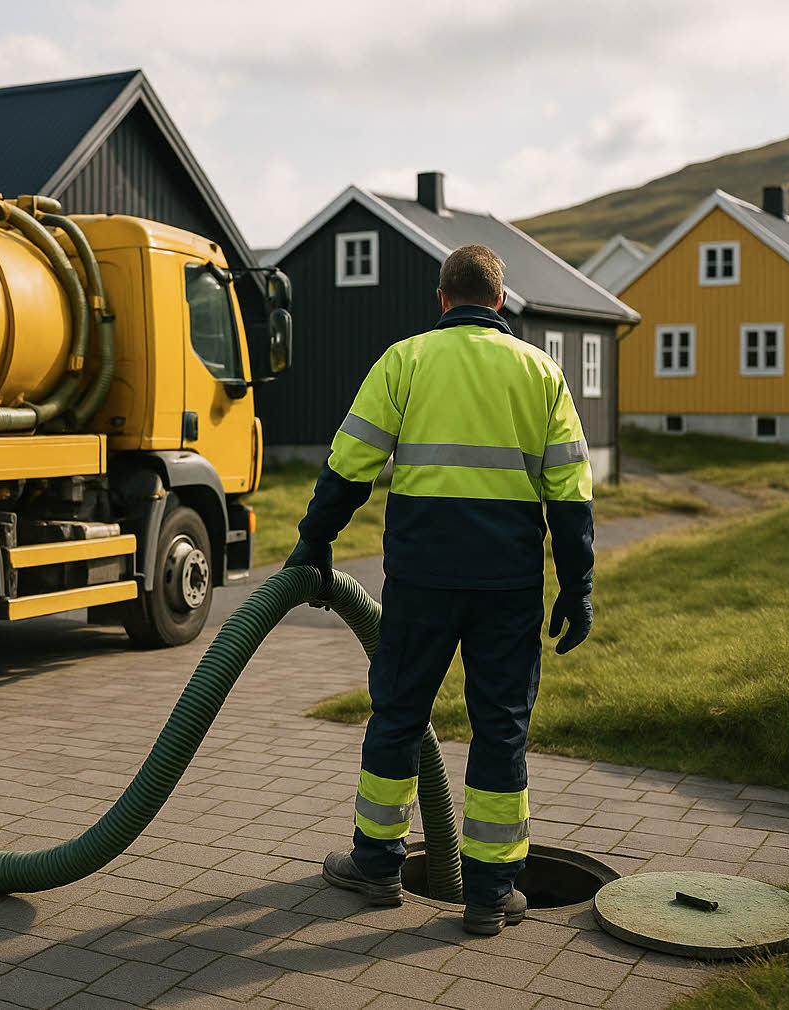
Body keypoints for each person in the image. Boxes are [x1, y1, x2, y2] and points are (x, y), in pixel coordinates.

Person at [285, 243, 594, 935]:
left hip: (421, 580)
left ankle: (376, 866)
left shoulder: (406, 360)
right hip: (507, 587)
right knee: (499, 730)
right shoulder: (542, 373)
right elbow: (570, 497)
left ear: (441, 298)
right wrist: (576, 586)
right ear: (501, 299)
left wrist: (314, 539)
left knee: (397, 717)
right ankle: (489, 897)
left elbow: (349, 467)